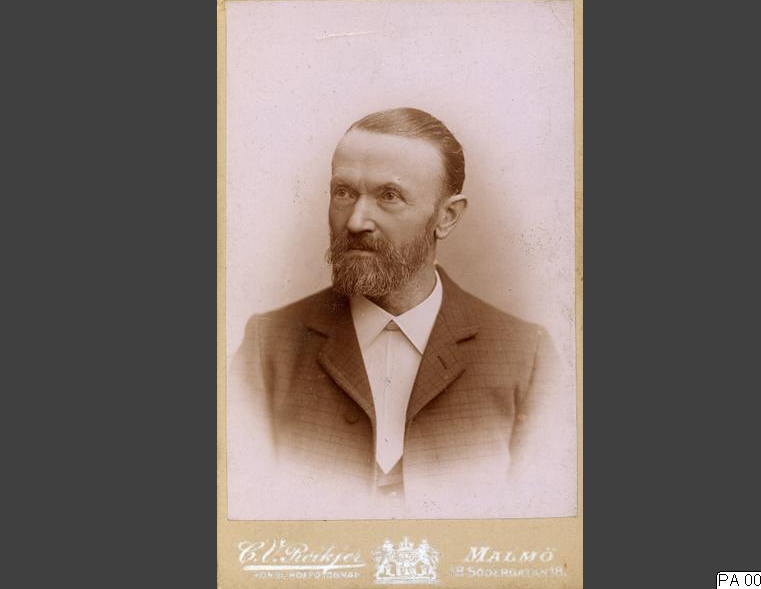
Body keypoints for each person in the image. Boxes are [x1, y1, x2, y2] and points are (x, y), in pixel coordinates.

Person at [228, 107, 571, 519]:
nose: (356, 221)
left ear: (447, 217)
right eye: (343, 192)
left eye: (389, 196)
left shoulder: (526, 356)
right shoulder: (268, 346)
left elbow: (539, 524)